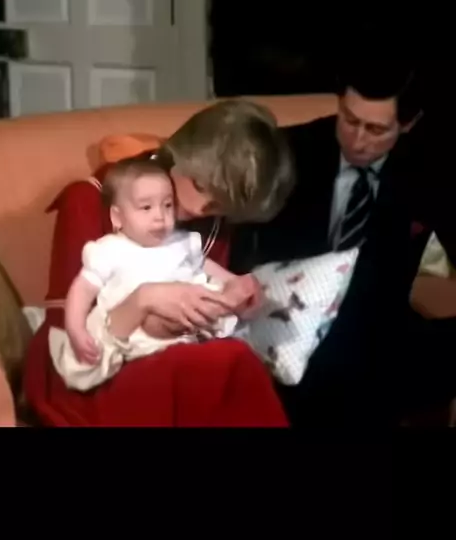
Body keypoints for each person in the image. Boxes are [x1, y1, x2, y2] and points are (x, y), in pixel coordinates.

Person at [24, 99, 294, 427]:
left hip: (177, 364)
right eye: (198, 186)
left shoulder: (210, 226)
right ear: (180, 153)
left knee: (232, 365)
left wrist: (234, 302)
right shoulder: (89, 200)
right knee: (224, 363)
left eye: (219, 205)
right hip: (88, 376)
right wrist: (144, 300)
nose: (199, 208)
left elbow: (205, 311)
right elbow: (70, 349)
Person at [231, 55, 456, 427]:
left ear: (408, 124)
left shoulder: (427, 169)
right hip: (287, 321)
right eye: (349, 120)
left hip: (380, 330)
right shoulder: (291, 148)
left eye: (376, 129)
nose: (358, 140)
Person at [50, 158, 258, 391]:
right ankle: (219, 307)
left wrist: (233, 281)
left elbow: (206, 267)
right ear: (117, 217)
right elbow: (82, 290)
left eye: (167, 205)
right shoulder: (109, 250)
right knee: (156, 318)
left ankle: (224, 303)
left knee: (210, 292)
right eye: (146, 207)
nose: (160, 216)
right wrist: (75, 328)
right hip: (142, 331)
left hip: (191, 326)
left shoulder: (181, 242)